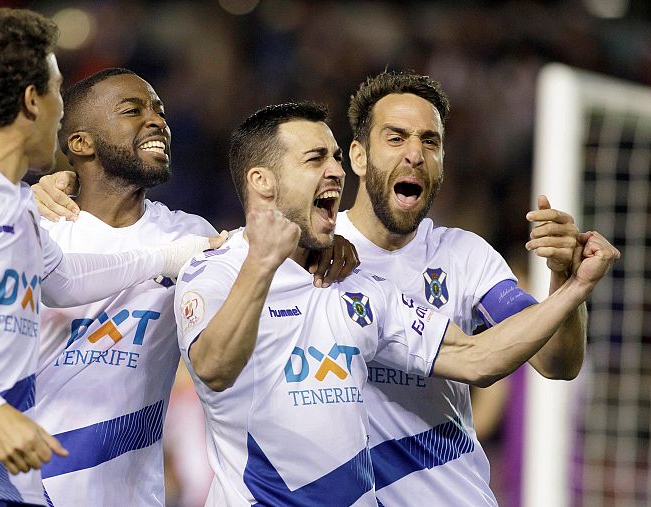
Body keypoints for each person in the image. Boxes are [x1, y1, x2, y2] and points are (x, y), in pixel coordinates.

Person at [173, 101, 619, 506]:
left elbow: (489, 358)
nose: (335, 170)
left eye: (431, 141)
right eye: (315, 159)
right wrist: (262, 262)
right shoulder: (220, 268)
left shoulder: (368, 279)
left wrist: (572, 286)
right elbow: (213, 368)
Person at [0, 12, 218, 507]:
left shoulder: (16, 205)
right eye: (55, 90)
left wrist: (166, 255)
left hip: (1, 481)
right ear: (32, 100)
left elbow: (63, 281)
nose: (60, 110)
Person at [29, 68, 357, 506]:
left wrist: (328, 244)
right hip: (25, 487)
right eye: (133, 110)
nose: (156, 120)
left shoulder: (191, 236)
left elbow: (272, 253)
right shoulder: (35, 227)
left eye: (159, 110)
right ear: (82, 144)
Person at [341, 70, 592, 506]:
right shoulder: (314, 259)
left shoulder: (464, 256)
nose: (415, 154)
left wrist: (567, 280)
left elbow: (557, 362)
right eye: (396, 138)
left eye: (430, 141)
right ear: (359, 157)